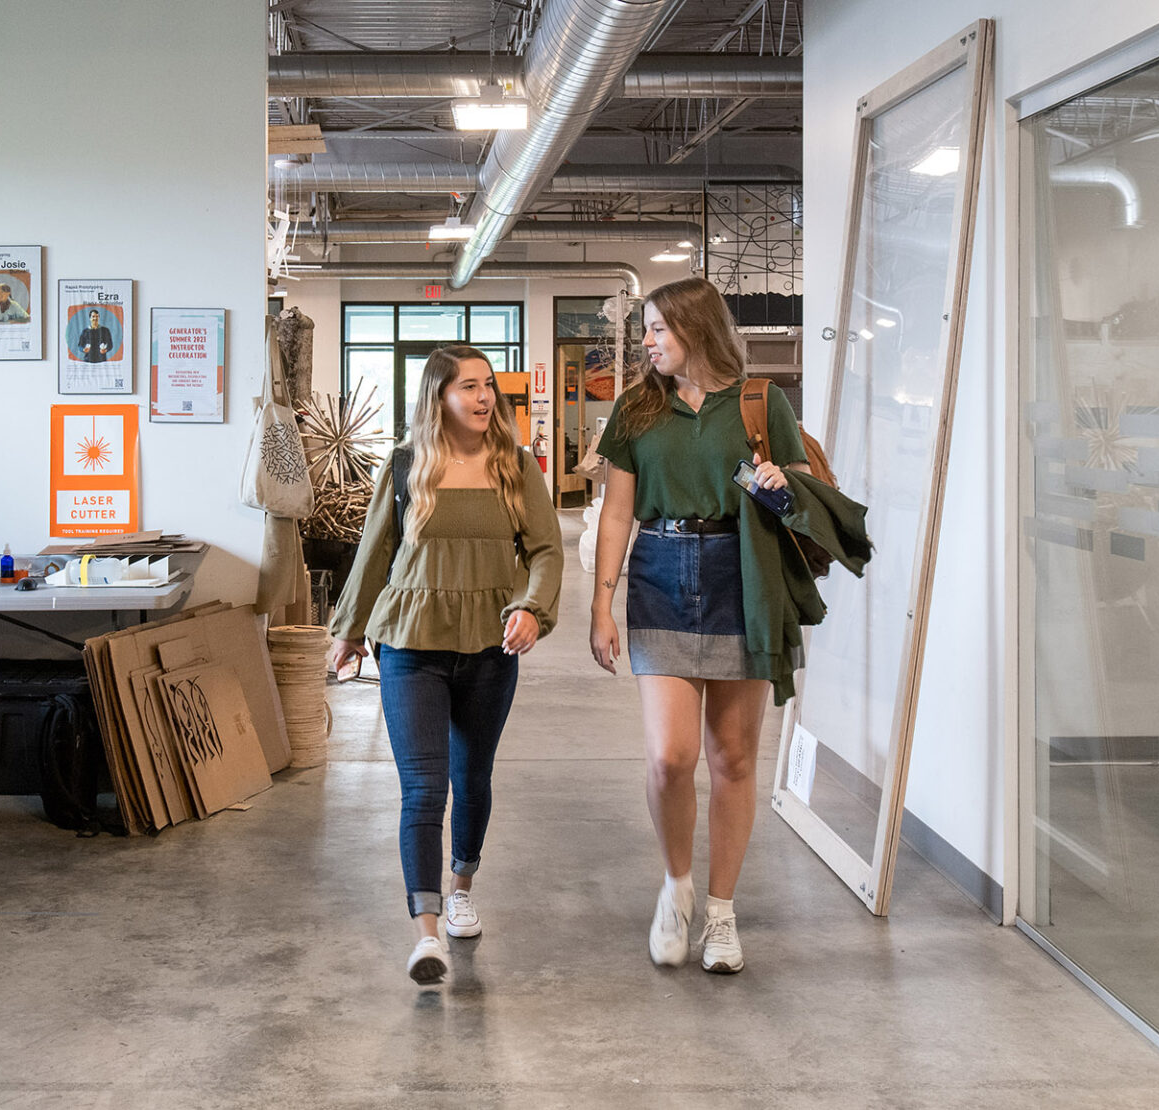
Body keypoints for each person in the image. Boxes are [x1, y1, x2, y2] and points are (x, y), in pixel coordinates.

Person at [589, 278, 828, 975]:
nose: (649, 341)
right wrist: (602, 602)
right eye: (648, 330)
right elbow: (615, 513)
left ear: (697, 328)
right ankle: (677, 886)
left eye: (660, 328)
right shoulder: (636, 409)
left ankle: (722, 914)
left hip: (741, 578)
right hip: (661, 574)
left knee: (733, 759)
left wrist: (783, 488)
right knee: (670, 758)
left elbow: (795, 493)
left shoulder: (761, 404)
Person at [327, 346, 561, 986]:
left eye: (489, 386)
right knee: (425, 788)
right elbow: (374, 552)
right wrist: (348, 630)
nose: (484, 398)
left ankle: (462, 882)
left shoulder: (515, 467)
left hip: (491, 646)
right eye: (468, 387)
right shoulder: (406, 466)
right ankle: (425, 933)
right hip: (412, 643)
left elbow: (545, 551)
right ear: (438, 397)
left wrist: (534, 609)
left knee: (472, 777)